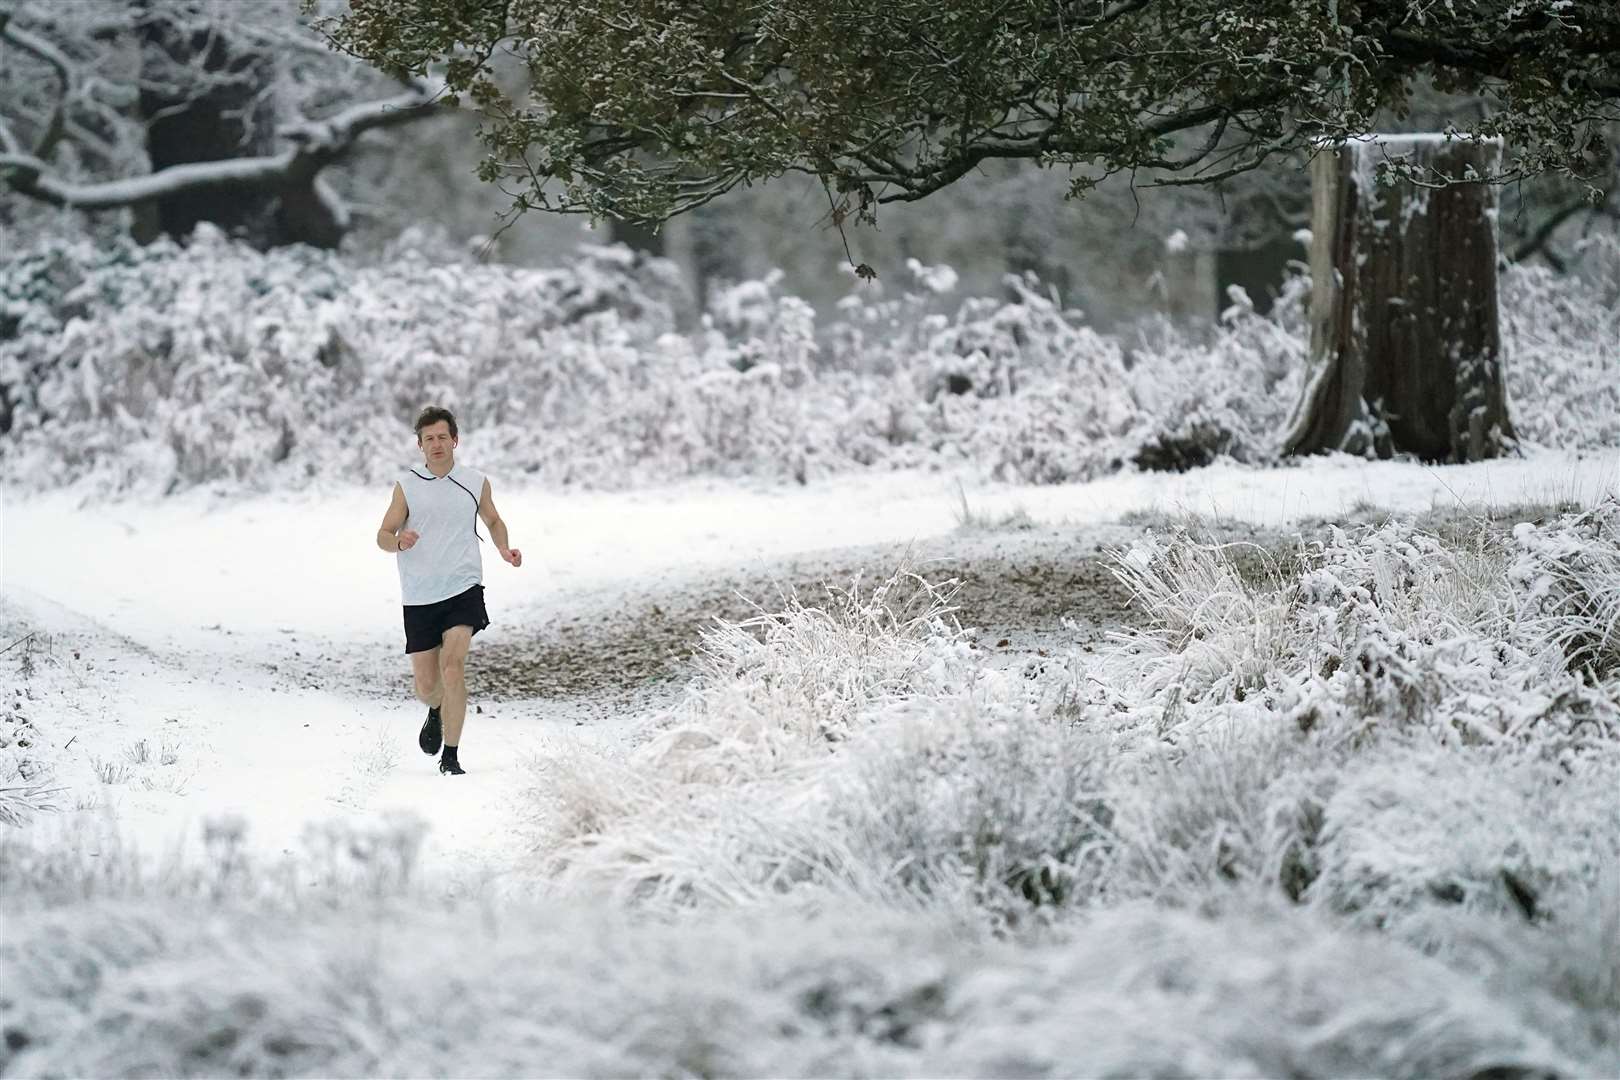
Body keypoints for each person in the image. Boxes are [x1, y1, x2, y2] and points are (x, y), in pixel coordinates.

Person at [376, 406, 522, 775]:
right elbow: (383, 534)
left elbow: (493, 518)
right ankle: (436, 708)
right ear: (420, 445)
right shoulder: (406, 485)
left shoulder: (474, 481)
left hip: (463, 586)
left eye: (443, 437)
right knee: (427, 685)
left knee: (453, 665)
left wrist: (504, 548)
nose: (437, 444)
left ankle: (451, 757)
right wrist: (399, 542)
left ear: (454, 440)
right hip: (420, 594)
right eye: (429, 439)